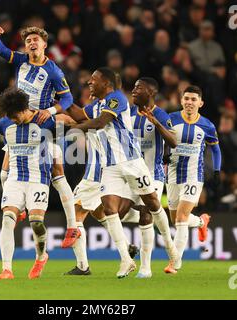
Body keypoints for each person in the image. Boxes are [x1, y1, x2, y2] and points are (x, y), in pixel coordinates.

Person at [71, 67, 179, 278]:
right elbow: (77, 113)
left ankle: (171, 248)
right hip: (110, 166)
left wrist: (73, 129)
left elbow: (100, 123)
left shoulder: (117, 99)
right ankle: (126, 259)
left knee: (154, 206)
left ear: (107, 83)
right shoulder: (98, 105)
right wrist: (60, 100)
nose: (89, 83)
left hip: (132, 162)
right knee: (110, 209)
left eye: (94, 79)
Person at [0, 25, 79, 245]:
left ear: (44, 44)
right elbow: (1, 51)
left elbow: (67, 99)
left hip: (42, 124)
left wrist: (49, 111)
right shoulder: (21, 61)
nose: (32, 43)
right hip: (18, 122)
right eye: (28, 40)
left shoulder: (54, 71)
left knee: (58, 175)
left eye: (35, 40)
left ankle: (72, 226)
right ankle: (17, 205)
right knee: (4, 173)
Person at [0, 87, 68, 279]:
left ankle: (41, 256)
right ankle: (6, 269)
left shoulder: (46, 122)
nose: (12, 120)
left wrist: (57, 169)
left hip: (38, 179)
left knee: (36, 223)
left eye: (14, 115)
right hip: (15, 179)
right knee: (7, 218)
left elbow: (59, 140)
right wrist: (4, 174)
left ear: (23, 109)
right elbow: (9, 147)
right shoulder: (4, 124)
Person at [165, 85, 221, 273]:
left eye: (193, 99)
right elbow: (161, 139)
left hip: (193, 176)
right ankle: (200, 222)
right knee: (176, 219)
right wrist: (163, 155)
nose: (189, 102)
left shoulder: (207, 125)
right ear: (181, 101)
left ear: (201, 103)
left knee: (181, 218)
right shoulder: (170, 119)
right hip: (172, 174)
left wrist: (217, 170)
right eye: (186, 98)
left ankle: (175, 262)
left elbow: (215, 148)